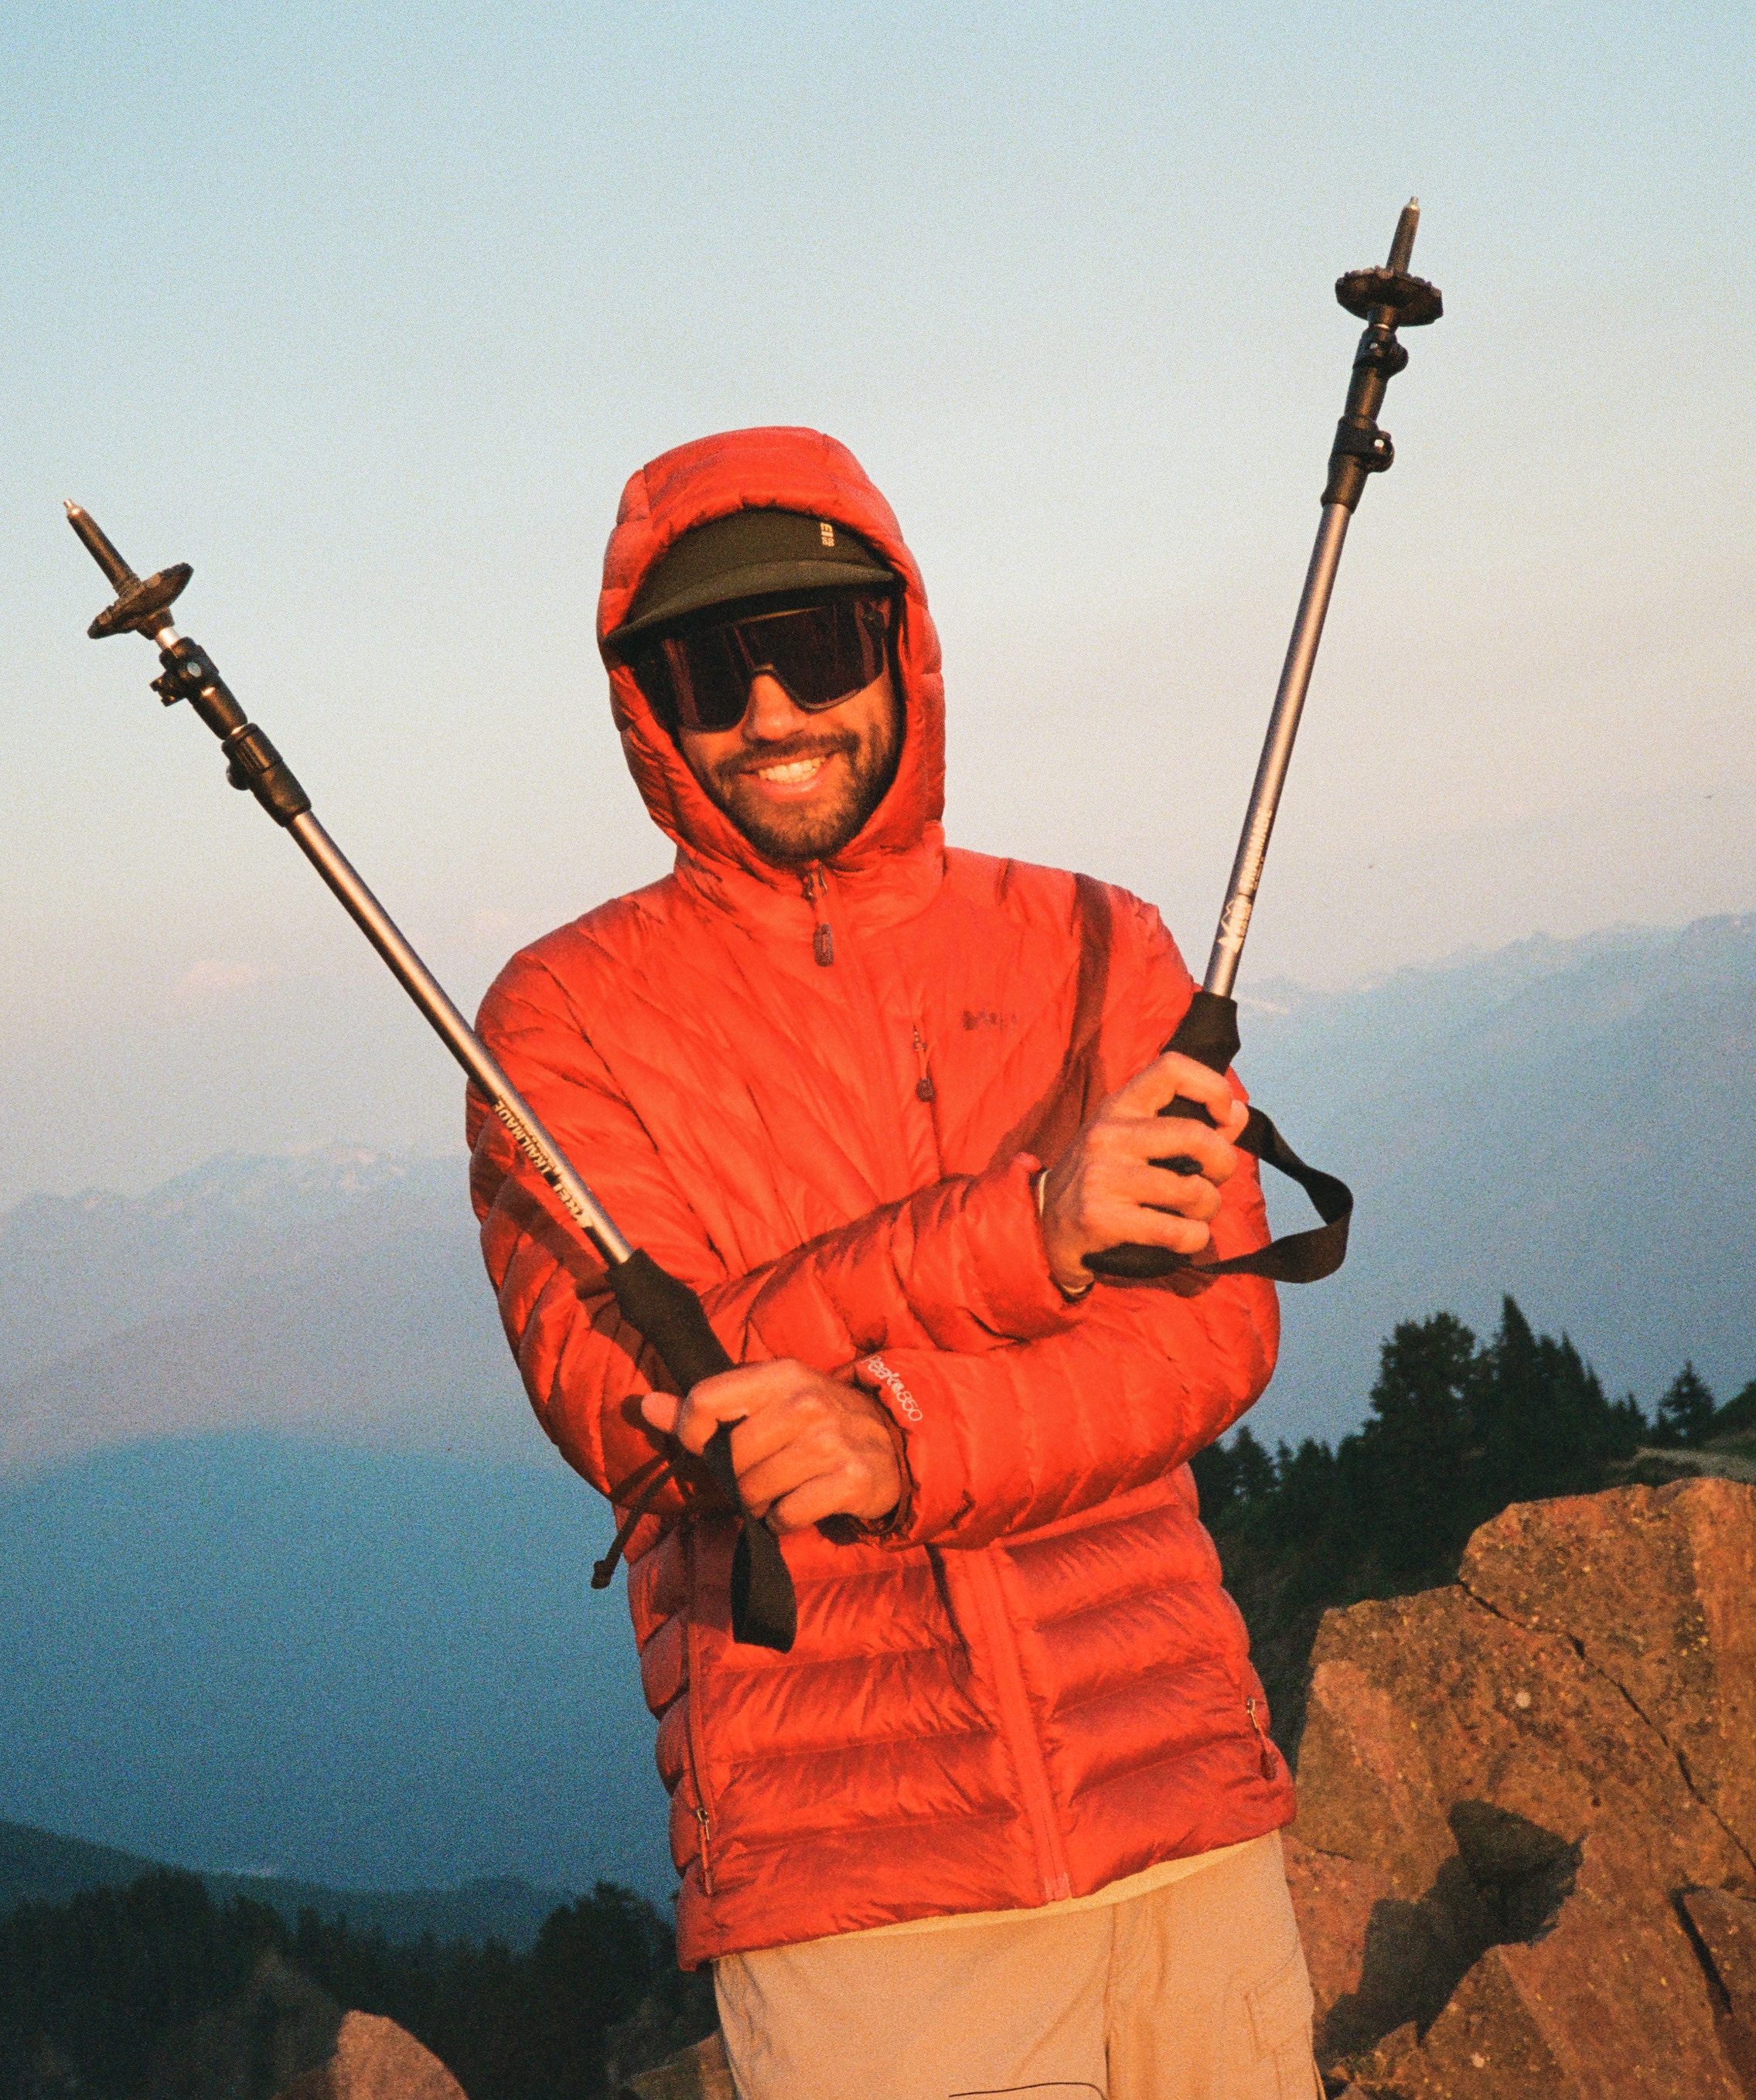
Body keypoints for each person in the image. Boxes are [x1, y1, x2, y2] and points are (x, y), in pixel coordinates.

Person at [468, 426, 1317, 2098]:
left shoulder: (1096, 939)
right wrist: (1031, 1231)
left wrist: (893, 1443)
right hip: (859, 1892)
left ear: (900, 649)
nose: (769, 711)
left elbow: (1207, 1340)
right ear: (646, 708)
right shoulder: (557, 1022)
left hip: (1180, 1816)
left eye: (812, 647)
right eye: (709, 671)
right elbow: (641, 1406)